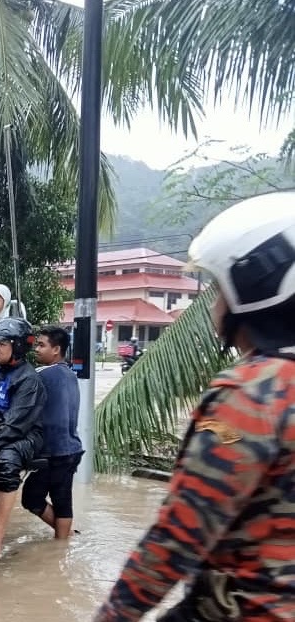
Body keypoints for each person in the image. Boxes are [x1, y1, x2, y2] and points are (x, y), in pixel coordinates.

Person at [95, 192, 295, 622]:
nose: (213, 305)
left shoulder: (252, 394)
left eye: (219, 289)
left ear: (253, 288)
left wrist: (113, 615)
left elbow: (179, 534)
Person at [0, 317, 46, 560]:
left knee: (6, 462)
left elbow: (15, 424)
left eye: (3, 343)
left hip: (23, 434)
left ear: (17, 346)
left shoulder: (29, 380)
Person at [21, 325, 83, 539]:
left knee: (32, 498)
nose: (36, 349)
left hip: (53, 451)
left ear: (56, 350)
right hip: (71, 448)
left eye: (41, 345)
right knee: (62, 498)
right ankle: (64, 541)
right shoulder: (70, 374)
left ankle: (63, 541)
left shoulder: (42, 375)